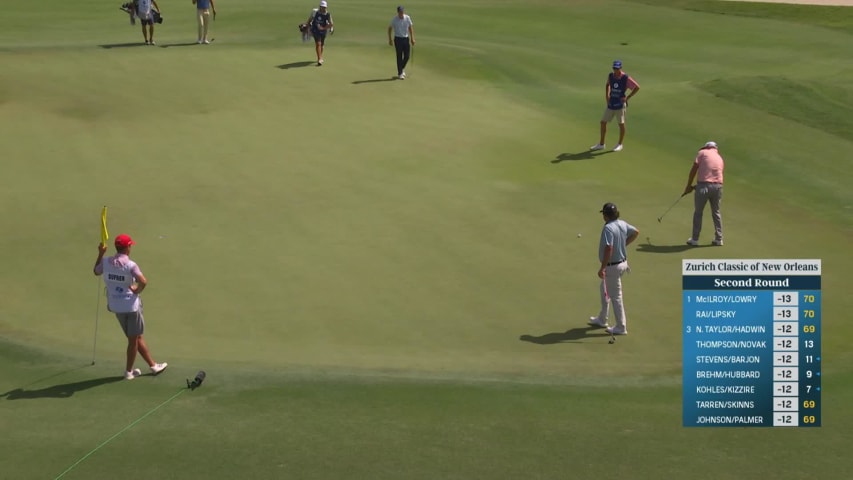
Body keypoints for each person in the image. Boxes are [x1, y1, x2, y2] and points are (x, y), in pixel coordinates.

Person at [93, 234, 168, 380]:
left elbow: (96, 271)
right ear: (128, 247)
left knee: (135, 337)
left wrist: (101, 253)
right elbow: (143, 281)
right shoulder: (130, 265)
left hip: (115, 305)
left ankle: (153, 366)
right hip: (131, 306)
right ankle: (129, 372)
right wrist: (137, 290)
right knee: (133, 340)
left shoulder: (106, 261)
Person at [587, 203, 639, 336]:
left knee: (616, 296)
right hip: (622, 264)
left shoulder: (608, 228)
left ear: (605, 215)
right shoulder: (622, 223)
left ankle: (621, 327)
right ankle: (602, 319)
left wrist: (602, 267)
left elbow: (609, 248)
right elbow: (635, 232)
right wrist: (622, 245)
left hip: (613, 266)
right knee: (604, 288)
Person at [590, 60, 640, 152]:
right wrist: (607, 96)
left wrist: (628, 97)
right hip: (611, 103)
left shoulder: (625, 77)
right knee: (603, 122)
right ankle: (601, 144)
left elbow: (637, 87)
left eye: (617, 68)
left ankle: (620, 144)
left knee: (621, 124)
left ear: (620, 68)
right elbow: (608, 84)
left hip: (620, 105)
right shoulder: (611, 76)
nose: (615, 70)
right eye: (614, 68)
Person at [684, 141, 725, 246]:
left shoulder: (702, 153)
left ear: (707, 147)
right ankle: (719, 239)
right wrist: (696, 187)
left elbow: (694, 169)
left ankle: (695, 239)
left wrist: (688, 186)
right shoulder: (720, 158)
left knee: (698, 212)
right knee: (716, 212)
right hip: (718, 188)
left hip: (704, 186)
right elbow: (713, 178)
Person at [388, 5, 415, 80]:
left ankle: (401, 68)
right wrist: (390, 39)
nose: (401, 13)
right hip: (398, 39)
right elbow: (390, 29)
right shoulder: (394, 19)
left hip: (405, 39)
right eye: (400, 12)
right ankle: (400, 73)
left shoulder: (407, 18)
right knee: (399, 56)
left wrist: (412, 38)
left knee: (407, 56)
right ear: (398, 12)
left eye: (402, 11)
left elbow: (410, 28)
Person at [306, 1, 334, 66]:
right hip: (315, 29)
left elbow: (331, 24)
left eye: (325, 7)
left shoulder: (328, 14)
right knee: (318, 43)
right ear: (320, 6)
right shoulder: (315, 11)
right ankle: (319, 59)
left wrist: (324, 28)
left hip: (323, 31)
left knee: (322, 44)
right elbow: (310, 19)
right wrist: (307, 26)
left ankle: (320, 56)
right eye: (322, 7)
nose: (323, 8)